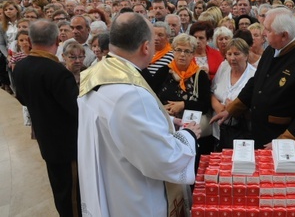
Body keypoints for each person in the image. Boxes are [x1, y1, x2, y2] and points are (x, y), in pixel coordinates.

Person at [77, 13, 200, 217]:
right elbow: (164, 159)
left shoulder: (98, 72)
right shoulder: (131, 94)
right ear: (145, 47)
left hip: (107, 183)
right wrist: (189, 136)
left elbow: (118, 123)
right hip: (133, 198)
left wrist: (165, 120)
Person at [211, 7, 295, 149]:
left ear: (284, 35)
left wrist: (284, 141)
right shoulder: (273, 48)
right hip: (260, 133)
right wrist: (231, 110)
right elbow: (256, 82)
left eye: (268, 30)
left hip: (281, 139)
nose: (264, 34)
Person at [13, 19, 80, 217]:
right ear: (58, 40)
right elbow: (76, 109)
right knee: (73, 194)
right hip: (68, 145)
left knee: (59, 188)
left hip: (46, 140)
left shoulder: (21, 66)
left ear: (31, 40)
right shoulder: (57, 72)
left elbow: (22, 99)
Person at [153, 33, 213, 155]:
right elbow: (150, 98)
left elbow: (205, 105)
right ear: (173, 51)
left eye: (187, 51)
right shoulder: (163, 72)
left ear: (193, 54)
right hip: (166, 129)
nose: (182, 55)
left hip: (192, 131)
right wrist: (162, 108)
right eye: (178, 50)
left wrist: (183, 105)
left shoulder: (199, 75)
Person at [211, 38, 256, 150]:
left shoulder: (254, 75)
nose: (232, 58)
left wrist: (233, 108)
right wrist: (218, 107)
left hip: (241, 133)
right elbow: (212, 92)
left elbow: (255, 108)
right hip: (218, 131)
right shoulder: (223, 67)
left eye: (236, 54)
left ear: (246, 55)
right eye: (229, 54)